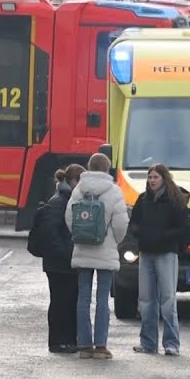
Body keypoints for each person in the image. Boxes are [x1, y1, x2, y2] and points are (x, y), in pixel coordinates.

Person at [64, 153, 129, 360]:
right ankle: (100, 346)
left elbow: (69, 217)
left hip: (82, 249)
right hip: (106, 251)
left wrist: (79, 235)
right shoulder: (115, 192)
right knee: (102, 298)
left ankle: (84, 345)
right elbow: (120, 225)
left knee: (83, 298)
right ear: (107, 169)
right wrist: (114, 242)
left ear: (89, 167)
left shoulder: (78, 190)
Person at [129, 163, 190, 356]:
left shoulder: (175, 201)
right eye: (150, 177)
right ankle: (148, 343)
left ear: (164, 178)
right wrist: (142, 234)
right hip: (146, 253)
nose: (152, 181)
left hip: (166, 253)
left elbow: (183, 228)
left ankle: (172, 343)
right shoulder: (143, 199)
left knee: (168, 299)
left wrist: (161, 236)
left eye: (155, 177)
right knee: (146, 300)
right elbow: (134, 223)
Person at [29, 165, 83, 354]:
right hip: (59, 264)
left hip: (61, 262)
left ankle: (66, 340)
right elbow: (50, 232)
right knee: (61, 303)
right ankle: (59, 342)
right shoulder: (60, 201)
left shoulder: (63, 198)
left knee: (65, 302)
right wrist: (66, 254)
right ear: (74, 181)